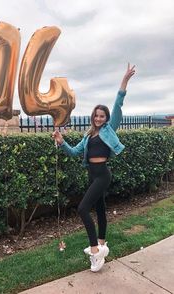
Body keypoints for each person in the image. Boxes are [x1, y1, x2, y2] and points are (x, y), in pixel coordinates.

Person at [52, 63, 136, 272]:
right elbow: (73, 152)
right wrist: (62, 142)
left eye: (102, 116)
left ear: (106, 118)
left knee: (82, 208)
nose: (99, 118)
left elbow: (118, 104)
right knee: (99, 209)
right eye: (96, 115)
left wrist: (124, 80)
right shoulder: (88, 136)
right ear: (93, 117)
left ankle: (95, 252)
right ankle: (102, 243)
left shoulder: (110, 129)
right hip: (92, 174)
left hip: (102, 175)